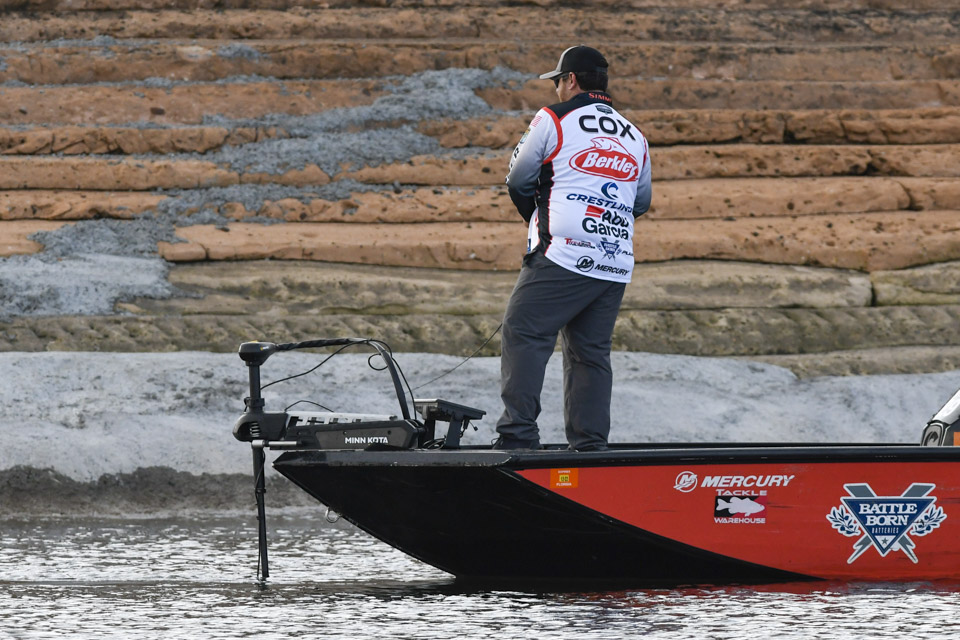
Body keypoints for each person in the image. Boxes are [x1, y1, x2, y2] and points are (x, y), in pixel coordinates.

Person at [494, 45, 652, 451]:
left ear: (571, 80)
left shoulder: (553, 117)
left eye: (558, 80)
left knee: (523, 331)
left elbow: (518, 178)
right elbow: (640, 201)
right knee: (590, 354)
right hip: (614, 261)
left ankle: (517, 438)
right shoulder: (635, 135)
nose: (557, 88)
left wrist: (534, 217)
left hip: (561, 252)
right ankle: (590, 447)